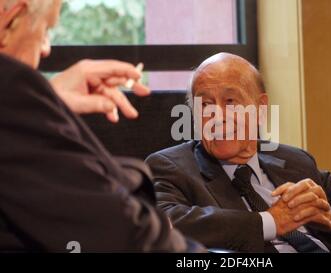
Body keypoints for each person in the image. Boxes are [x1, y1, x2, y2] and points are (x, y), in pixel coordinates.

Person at [145, 52, 331, 253]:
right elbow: (163, 221)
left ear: (261, 109)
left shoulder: (294, 161)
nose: (217, 115)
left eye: (230, 101)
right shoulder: (172, 166)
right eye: (205, 104)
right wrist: (272, 221)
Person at [0, 0, 200, 252]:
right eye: (44, 31)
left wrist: (49, 99)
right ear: (9, 22)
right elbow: (121, 233)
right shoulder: (11, 88)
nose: (45, 49)